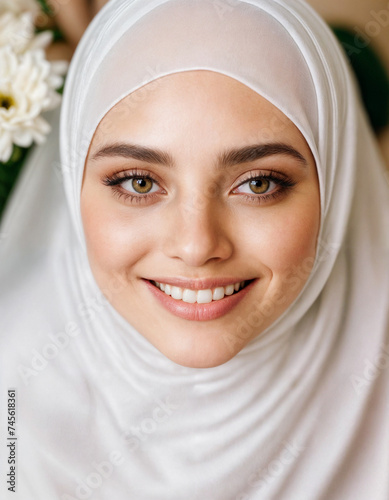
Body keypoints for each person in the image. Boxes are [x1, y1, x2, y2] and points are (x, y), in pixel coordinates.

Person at [0, 0, 388, 498]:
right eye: (139, 183)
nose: (197, 245)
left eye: (260, 184)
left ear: (335, 186)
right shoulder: (11, 389)